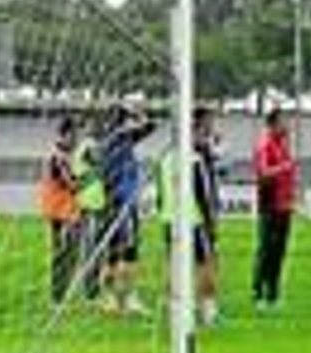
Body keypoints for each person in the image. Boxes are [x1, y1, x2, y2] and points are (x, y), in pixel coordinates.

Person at [157, 107, 221, 325]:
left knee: (174, 264)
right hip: (194, 221)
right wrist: (211, 222)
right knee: (207, 263)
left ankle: (173, 309)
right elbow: (203, 195)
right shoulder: (193, 159)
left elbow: (160, 193)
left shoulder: (165, 158)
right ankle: (208, 311)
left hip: (169, 219)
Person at [100, 104, 155, 316]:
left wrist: (139, 114)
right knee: (128, 251)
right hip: (121, 201)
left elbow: (149, 127)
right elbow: (147, 127)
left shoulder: (117, 139)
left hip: (116, 200)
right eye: (126, 118)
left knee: (115, 252)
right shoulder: (117, 139)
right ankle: (126, 297)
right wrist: (139, 114)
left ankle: (113, 298)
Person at [253, 109, 299, 308]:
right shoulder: (265, 146)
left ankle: (274, 293)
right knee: (266, 250)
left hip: (284, 206)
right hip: (269, 205)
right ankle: (259, 293)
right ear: (272, 125)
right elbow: (262, 172)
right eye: (282, 122)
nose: (286, 126)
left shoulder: (284, 147)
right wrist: (284, 167)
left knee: (280, 251)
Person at [38, 116, 82, 306]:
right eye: (74, 134)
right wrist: (90, 178)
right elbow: (71, 184)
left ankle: (61, 294)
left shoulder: (67, 156)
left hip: (68, 212)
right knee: (62, 254)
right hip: (60, 214)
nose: (77, 138)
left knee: (69, 254)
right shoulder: (59, 157)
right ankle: (57, 297)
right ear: (65, 134)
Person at [72, 117, 109, 299]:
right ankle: (91, 290)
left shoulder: (84, 146)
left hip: (93, 202)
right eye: (92, 125)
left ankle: (92, 287)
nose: (97, 128)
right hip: (90, 204)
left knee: (94, 246)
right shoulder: (88, 146)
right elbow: (99, 162)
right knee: (92, 247)